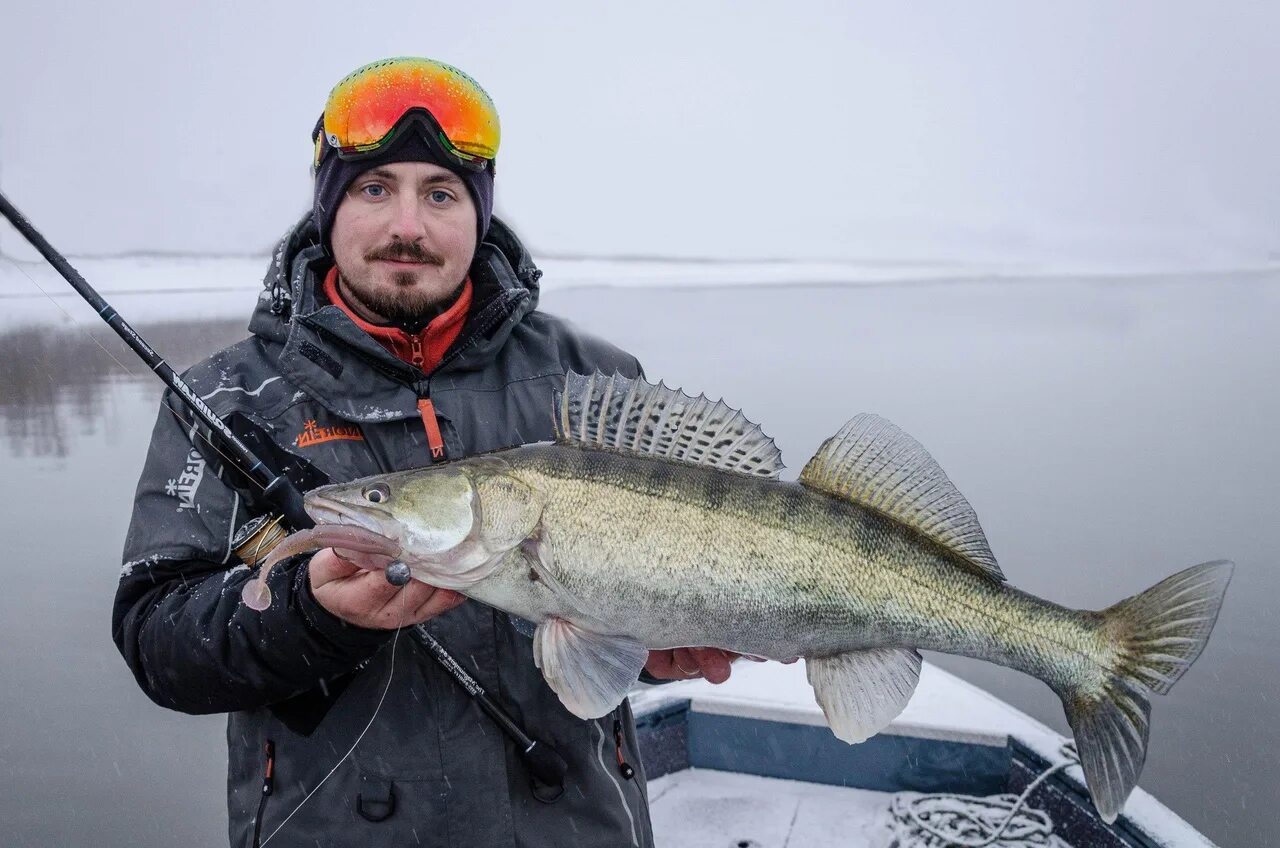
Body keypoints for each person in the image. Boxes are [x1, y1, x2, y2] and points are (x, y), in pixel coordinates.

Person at [112, 56, 736, 848]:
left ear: (478, 213)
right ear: (328, 208)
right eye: (375, 189)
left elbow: (617, 615)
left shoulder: (594, 379)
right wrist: (309, 615)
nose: (408, 225)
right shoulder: (225, 399)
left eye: (440, 194)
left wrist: (653, 647)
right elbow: (157, 639)